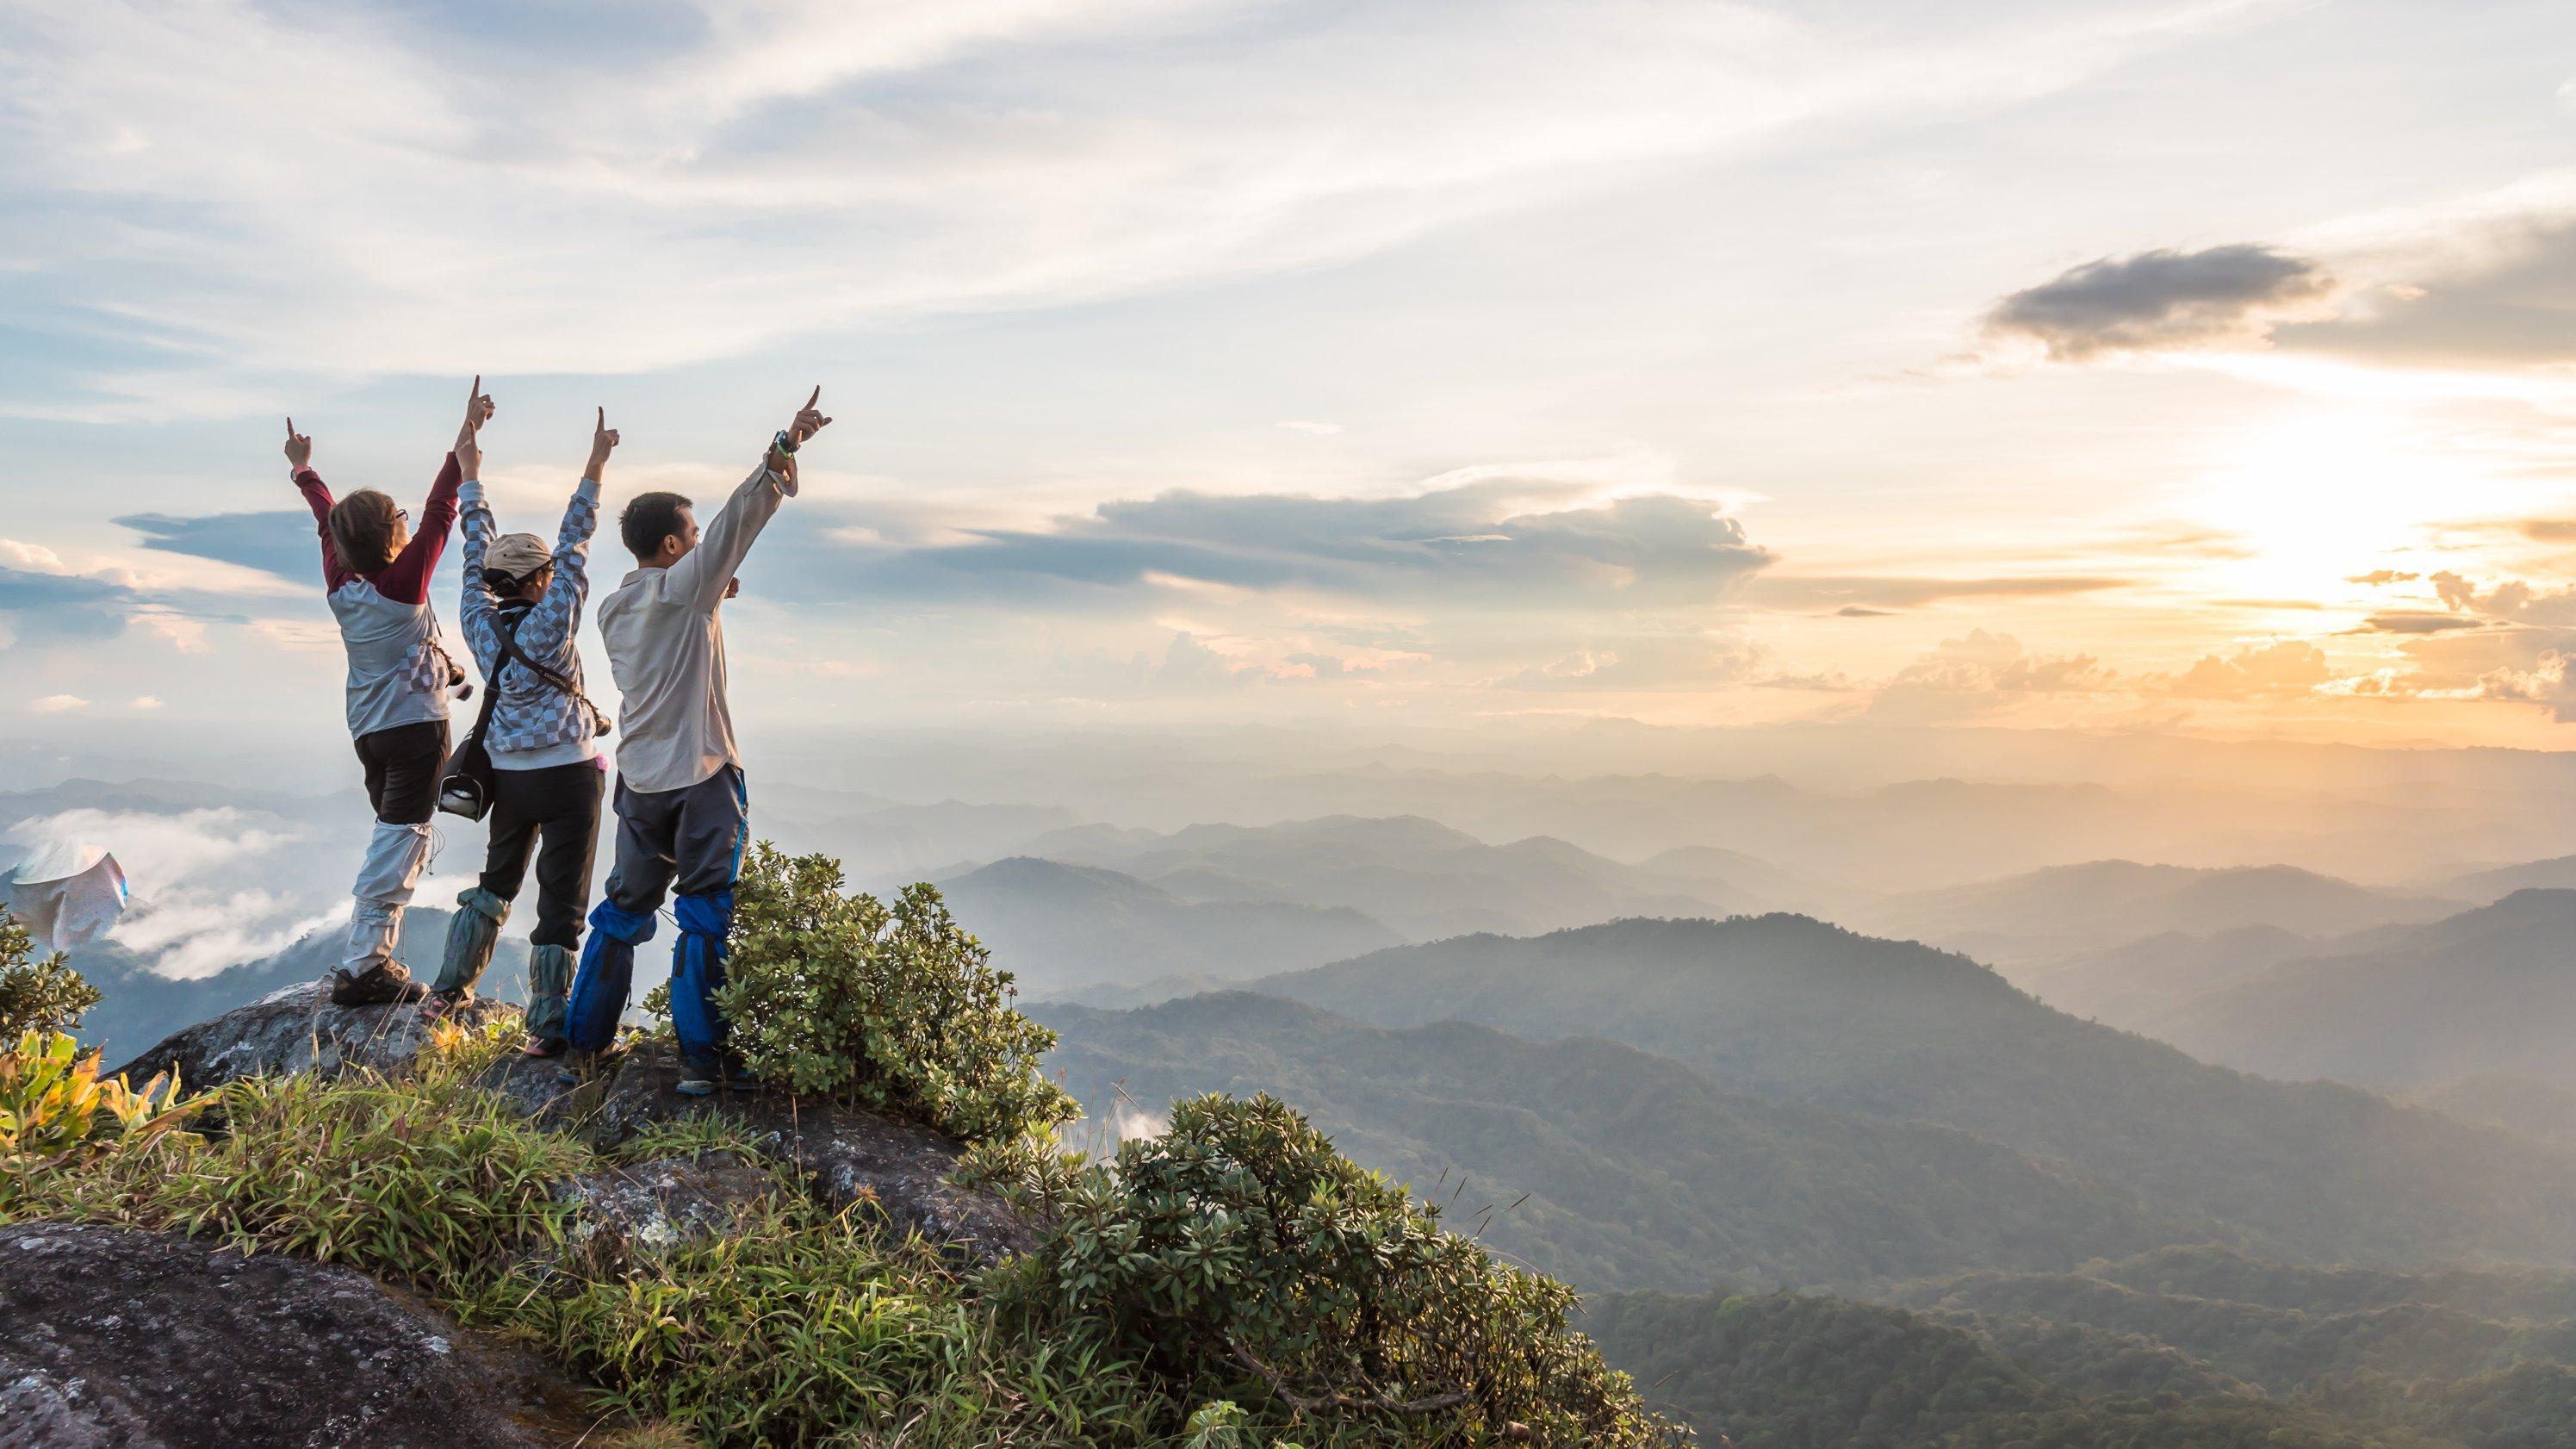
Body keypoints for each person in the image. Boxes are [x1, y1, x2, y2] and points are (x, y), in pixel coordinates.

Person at [562, 388, 833, 1096]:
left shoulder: (616, 607)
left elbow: (685, 596)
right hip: (702, 774)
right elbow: (735, 525)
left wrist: (712, 592)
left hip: (640, 782)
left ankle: (583, 1041)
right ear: (676, 544)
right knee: (706, 914)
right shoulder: (686, 591)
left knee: (622, 911)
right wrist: (784, 450)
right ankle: (703, 1063)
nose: (698, 537)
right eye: (689, 533)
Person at [422, 407, 620, 1055]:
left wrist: (470, 473)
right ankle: (546, 1027)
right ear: (542, 582)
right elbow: (575, 542)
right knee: (560, 901)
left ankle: (449, 991)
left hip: (508, 777)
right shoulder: (554, 619)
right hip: (569, 777)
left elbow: (474, 545)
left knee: (497, 880)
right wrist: (594, 466)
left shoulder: (477, 623)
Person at [289, 379, 487, 1006]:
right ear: (391, 534)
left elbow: (327, 522)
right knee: (402, 837)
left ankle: (372, 957)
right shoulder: (401, 589)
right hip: (414, 733)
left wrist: (304, 470)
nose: (409, 521)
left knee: (396, 830)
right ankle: (364, 965)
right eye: (398, 518)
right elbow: (440, 512)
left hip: (368, 733)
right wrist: (465, 439)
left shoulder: (340, 584)